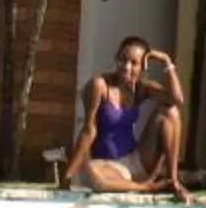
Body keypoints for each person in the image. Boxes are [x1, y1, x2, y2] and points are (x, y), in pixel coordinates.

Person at [65, 37, 186, 196]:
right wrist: (67, 176)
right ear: (116, 59)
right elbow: (89, 130)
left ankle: (173, 180)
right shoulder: (100, 85)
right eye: (122, 60)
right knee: (91, 172)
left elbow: (177, 100)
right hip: (108, 168)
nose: (126, 67)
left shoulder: (141, 88)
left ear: (142, 67)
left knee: (171, 112)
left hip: (137, 162)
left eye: (134, 63)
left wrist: (166, 61)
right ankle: (147, 187)